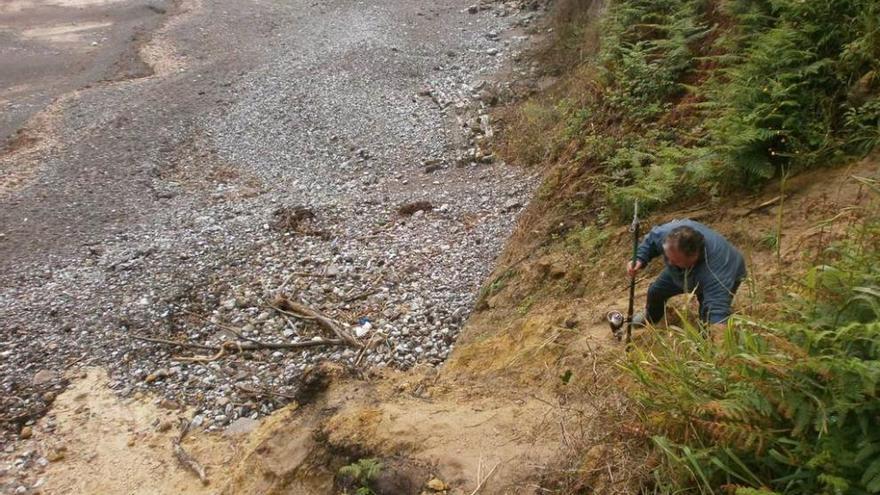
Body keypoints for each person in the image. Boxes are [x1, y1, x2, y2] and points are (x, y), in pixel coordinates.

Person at [626, 219, 746, 332]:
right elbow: (652, 241)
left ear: (694, 255)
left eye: (675, 260)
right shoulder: (668, 235)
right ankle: (651, 317)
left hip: (726, 272)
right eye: (668, 257)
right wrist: (639, 258)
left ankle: (705, 343)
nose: (669, 262)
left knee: (707, 314)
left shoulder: (716, 273)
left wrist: (720, 339)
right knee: (656, 291)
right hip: (681, 272)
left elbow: (717, 311)